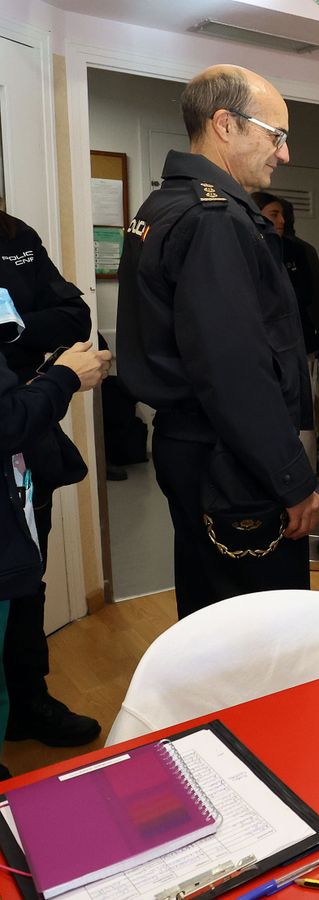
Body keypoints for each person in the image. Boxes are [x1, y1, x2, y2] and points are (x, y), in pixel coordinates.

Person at [117, 65, 319, 619]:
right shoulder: (215, 219)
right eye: (275, 135)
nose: (283, 154)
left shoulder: (163, 205)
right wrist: (294, 480)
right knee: (258, 629)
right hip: (231, 457)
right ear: (226, 125)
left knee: (210, 607)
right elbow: (234, 372)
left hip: (196, 448)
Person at [0, 212, 103, 748]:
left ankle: (28, 702)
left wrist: (12, 328)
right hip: (17, 413)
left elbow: (74, 315)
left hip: (29, 441)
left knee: (27, 581)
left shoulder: (14, 237)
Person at [252, 191, 319, 354]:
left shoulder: (297, 250)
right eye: (274, 215)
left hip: (296, 334)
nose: (282, 221)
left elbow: (306, 294)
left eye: (283, 215)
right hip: (260, 337)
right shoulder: (246, 248)